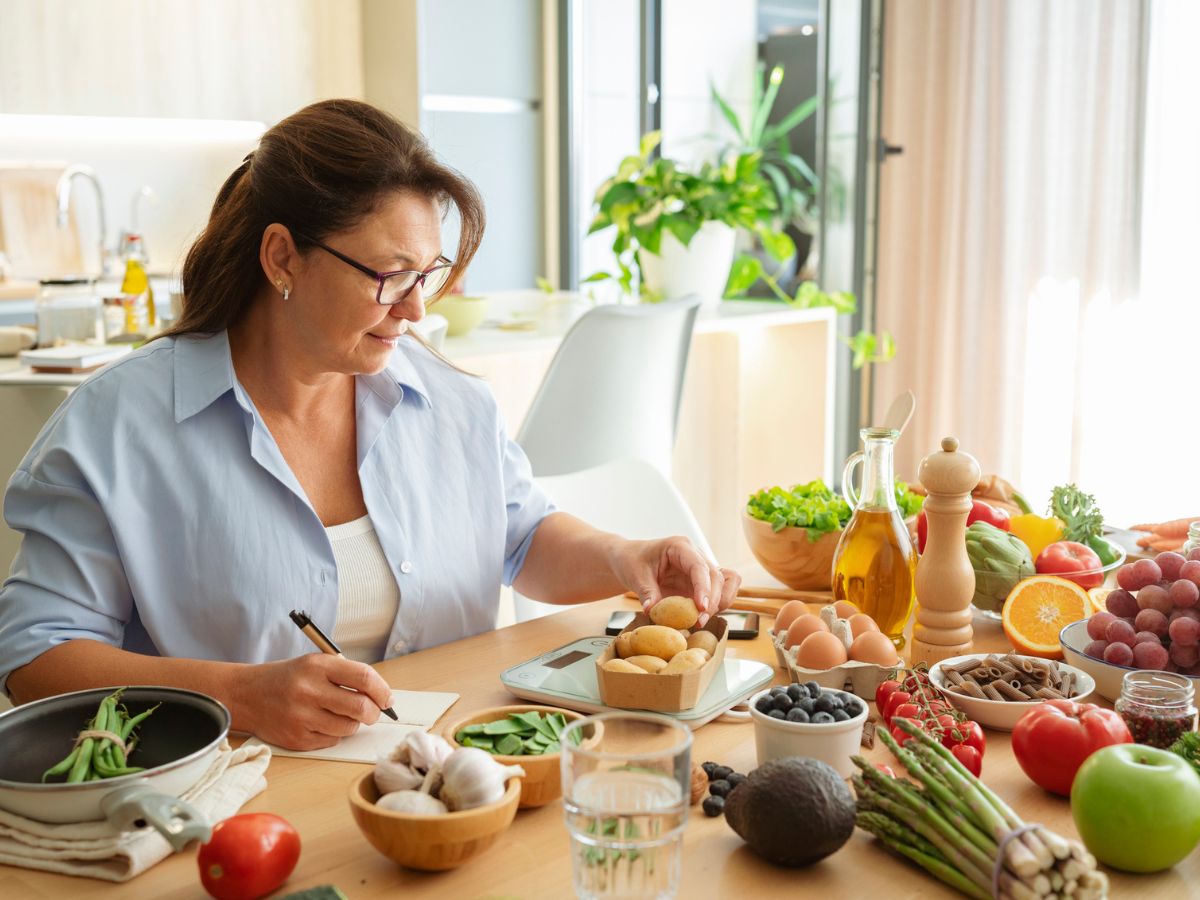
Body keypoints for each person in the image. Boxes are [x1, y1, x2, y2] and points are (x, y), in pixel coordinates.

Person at [0, 100, 739, 750]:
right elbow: (34, 657)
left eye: (428, 274)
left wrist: (624, 556)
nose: (418, 309)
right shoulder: (118, 426)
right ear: (282, 256)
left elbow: (518, 536)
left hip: (455, 779)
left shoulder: (448, 400)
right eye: (390, 275)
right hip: (238, 798)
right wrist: (240, 694)